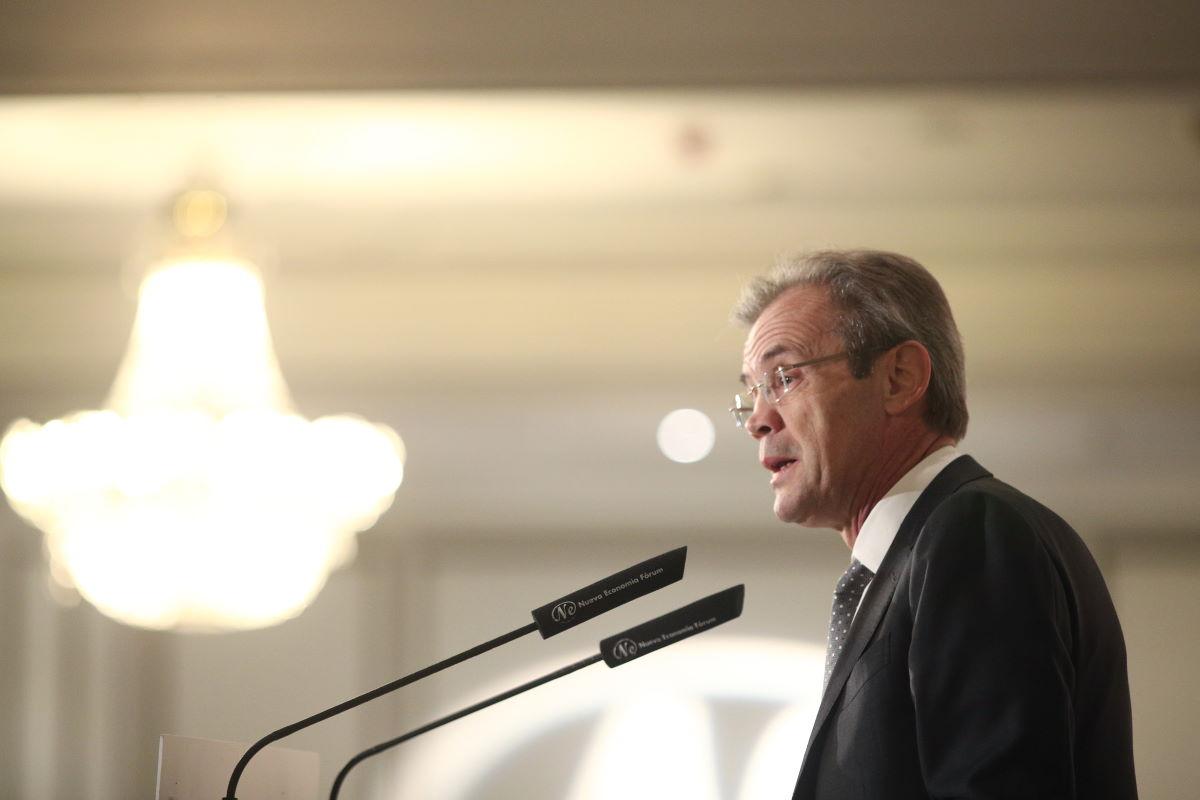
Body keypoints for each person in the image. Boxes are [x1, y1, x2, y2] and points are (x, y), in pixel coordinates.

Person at [730, 250, 1137, 799]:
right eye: (752, 391)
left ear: (900, 378)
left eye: (783, 377)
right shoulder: (913, 559)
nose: (758, 419)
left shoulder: (973, 532)